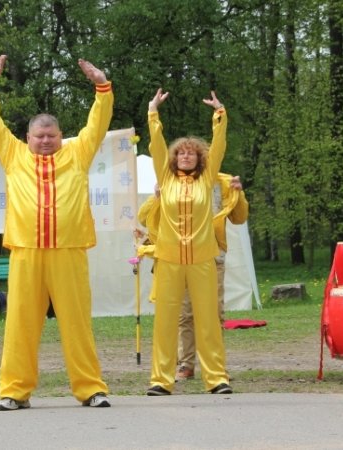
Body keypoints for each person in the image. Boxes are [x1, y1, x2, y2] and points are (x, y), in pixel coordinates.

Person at [0, 55, 113, 410]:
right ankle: (14, 391)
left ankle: (90, 389)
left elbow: (97, 124)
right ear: (28, 137)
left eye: (52, 135)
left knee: (77, 324)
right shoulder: (13, 154)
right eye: (40, 136)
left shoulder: (78, 153)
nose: (46, 141)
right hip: (26, 250)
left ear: (62, 137)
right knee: (20, 323)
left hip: (69, 250)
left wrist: (102, 87)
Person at [145, 88, 231, 396]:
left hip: (202, 259)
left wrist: (219, 115)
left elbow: (219, 147)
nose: (185, 156)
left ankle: (217, 378)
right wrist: (153, 112)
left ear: (199, 159)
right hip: (168, 259)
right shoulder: (165, 179)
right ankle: (160, 380)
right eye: (181, 153)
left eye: (191, 153)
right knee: (166, 321)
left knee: (208, 320)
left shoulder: (206, 180)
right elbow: (156, 145)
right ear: (174, 158)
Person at [138, 174, 248, 381]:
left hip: (212, 257)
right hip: (179, 258)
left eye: (197, 155)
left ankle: (216, 366)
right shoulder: (170, 183)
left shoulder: (219, 183)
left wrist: (238, 194)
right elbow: (144, 218)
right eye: (183, 154)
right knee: (185, 313)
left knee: (214, 313)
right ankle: (186, 364)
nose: (189, 158)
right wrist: (156, 196)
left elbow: (239, 217)